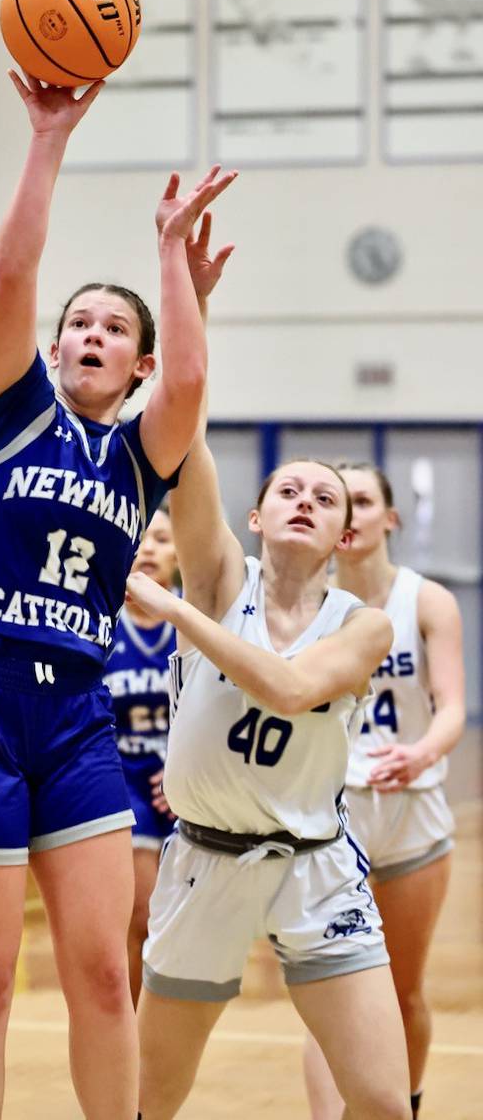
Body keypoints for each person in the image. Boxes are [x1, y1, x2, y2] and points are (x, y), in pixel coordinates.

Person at [0, 68, 237, 1120]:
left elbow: (188, 385)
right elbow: (11, 273)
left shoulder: (143, 452)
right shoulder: (13, 413)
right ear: (53, 348)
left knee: (103, 974)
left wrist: (170, 267)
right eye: (76, 323)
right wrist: (47, 140)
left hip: (75, 712)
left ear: (133, 363)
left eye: (111, 329)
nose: (88, 334)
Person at [125, 240, 412, 1120]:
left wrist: (176, 617)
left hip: (316, 864)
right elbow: (187, 432)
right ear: (255, 518)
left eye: (325, 500)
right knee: (153, 1101)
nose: (303, 501)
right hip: (204, 861)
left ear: (343, 538)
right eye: (286, 490)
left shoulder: (364, 626)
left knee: (384, 1104)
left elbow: (289, 690)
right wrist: (190, 301)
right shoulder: (220, 578)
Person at [303, 463, 465, 1120]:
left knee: (401, 992)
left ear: (389, 518)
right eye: (339, 502)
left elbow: (451, 704)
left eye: (362, 500)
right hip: (327, 819)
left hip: (411, 814)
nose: (350, 513)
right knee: (326, 993)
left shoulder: (427, 601)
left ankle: (408, 1105)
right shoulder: (310, 603)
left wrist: (424, 750)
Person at [103, 503, 177, 1006]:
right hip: (122, 781)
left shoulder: (196, 624)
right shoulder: (100, 623)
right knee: (141, 917)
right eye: (142, 536)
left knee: (180, 928)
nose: (149, 547)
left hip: (187, 787)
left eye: (164, 539)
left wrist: (187, 769)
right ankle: (130, 1034)